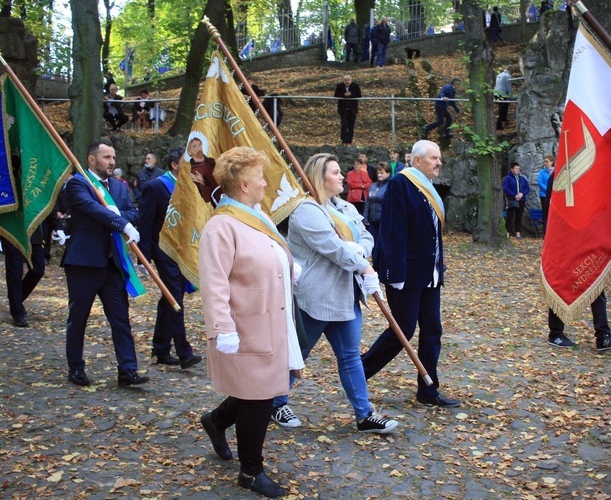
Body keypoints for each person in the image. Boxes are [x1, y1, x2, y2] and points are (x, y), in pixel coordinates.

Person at [198, 147, 302, 498]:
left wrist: (288, 267)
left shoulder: (256, 216)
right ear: (243, 184)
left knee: (259, 391)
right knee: (259, 397)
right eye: (260, 177)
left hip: (271, 321)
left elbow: (270, 251)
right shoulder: (221, 225)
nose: (264, 183)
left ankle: (216, 420)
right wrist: (221, 329)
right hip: (244, 327)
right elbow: (214, 283)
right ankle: (250, 472)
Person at [271, 153, 399, 434]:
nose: (343, 176)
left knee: (351, 356)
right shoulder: (306, 210)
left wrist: (360, 251)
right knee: (299, 353)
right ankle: (275, 402)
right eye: (336, 172)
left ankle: (364, 415)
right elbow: (333, 249)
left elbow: (366, 236)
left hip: (345, 296)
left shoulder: (344, 206)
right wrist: (362, 263)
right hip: (316, 297)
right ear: (320, 177)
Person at [362, 140, 461, 408]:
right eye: (433, 158)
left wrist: (439, 267)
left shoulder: (430, 188)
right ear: (417, 160)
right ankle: (358, 374)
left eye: (439, 157)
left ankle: (428, 391)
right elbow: (393, 231)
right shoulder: (400, 184)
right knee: (402, 331)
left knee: (432, 330)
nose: (439, 162)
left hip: (430, 274)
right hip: (405, 274)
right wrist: (394, 273)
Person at [61, 140, 148, 387]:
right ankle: (76, 368)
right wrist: (120, 221)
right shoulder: (79, 183)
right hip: (84, 263)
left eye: (113, 157)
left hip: (113, 264)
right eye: (106, 157)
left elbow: (133, 211)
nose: (112, 162)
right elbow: (90, 208)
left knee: (120, 318)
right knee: (78, 317)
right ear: (91, 159)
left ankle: (128, 369)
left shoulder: (119, 188)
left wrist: (121, 216)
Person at [543, 167, 611, 351]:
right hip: (564, 239)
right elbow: (550, 209)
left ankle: (603, 336)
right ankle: (555, 333)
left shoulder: (589, 170)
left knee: (596, 284)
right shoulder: (557, 175)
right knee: (560, 284)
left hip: (587, 236)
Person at [138, 146, 203, 370]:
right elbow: (145, 223)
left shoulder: (191, 185)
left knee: (170, 298)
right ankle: (184, 352)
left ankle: (161, 348)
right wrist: (143, 257)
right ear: (175, 165)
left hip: (184, 250)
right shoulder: (155, 187)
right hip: (163, 250)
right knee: (174, 297)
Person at [0, 214, 57, 327]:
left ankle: (16, 298)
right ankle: (17, 313)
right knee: (15, 273)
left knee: (38, 270)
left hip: (33, 232)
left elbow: (43, 203)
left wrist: (57, 226)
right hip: (12, 232)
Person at [363, 162, 391, 256]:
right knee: (373, 243)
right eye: (378, 173)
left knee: (383, 244)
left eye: (382, 173)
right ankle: (374, 265)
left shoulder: (391, 186)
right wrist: (365, 217)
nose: (379, 175)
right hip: (372, 220)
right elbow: (368, 202)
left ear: (388, 173)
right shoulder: (373, 185)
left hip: (384, 220)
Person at [187, 136, 218, 204]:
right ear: (189, 152)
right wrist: (202, 182)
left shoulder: (211, 161)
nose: (199, 148)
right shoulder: (194, 172)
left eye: (199, 145)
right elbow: (206, 198)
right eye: (194, 146)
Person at [502, 162, 530, 238]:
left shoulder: (522, 179)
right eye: (516, 168)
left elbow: (527, 188)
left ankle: (518, 233)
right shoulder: (508, 178)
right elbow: (505, 188)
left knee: (519, 216)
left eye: (518, 168)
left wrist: (522, 194)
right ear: (512, 169)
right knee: (510, 216)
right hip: (512, 199)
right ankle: (508, 232)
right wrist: (514, 195)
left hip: (521, 200)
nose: (518, 170)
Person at [334, 75, 362, 146]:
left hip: (352, 110)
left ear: (351, 80)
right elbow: (336, 95)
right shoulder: (340, 86)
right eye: (345, 80)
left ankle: (349, 141)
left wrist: (350, 95)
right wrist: (344, 95)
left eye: (348, 80)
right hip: (343, 109)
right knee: (344, 125)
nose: (347, 81)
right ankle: (344, 140)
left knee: (351, 125)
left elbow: (359, 95)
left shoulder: (355, 86)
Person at [495, 65, 513, 130]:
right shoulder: (507, 76)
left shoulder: (499, 75)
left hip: (497, 94)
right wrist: (511, 96)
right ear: (510, 70)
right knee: (503, 108)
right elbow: (509, 87)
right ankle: (499, 125)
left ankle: (503, 121)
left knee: (501, 107)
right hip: (502, 94)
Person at [537, 156, 554, 222]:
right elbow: (540, 182)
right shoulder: (542, 172)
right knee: (545, 213)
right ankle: (545, 231)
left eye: (547, 161)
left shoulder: (555, 171)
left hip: (554, 195)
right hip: (544, 195)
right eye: (544, 161)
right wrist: (548, 190)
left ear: (552, 162)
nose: (545, 163)